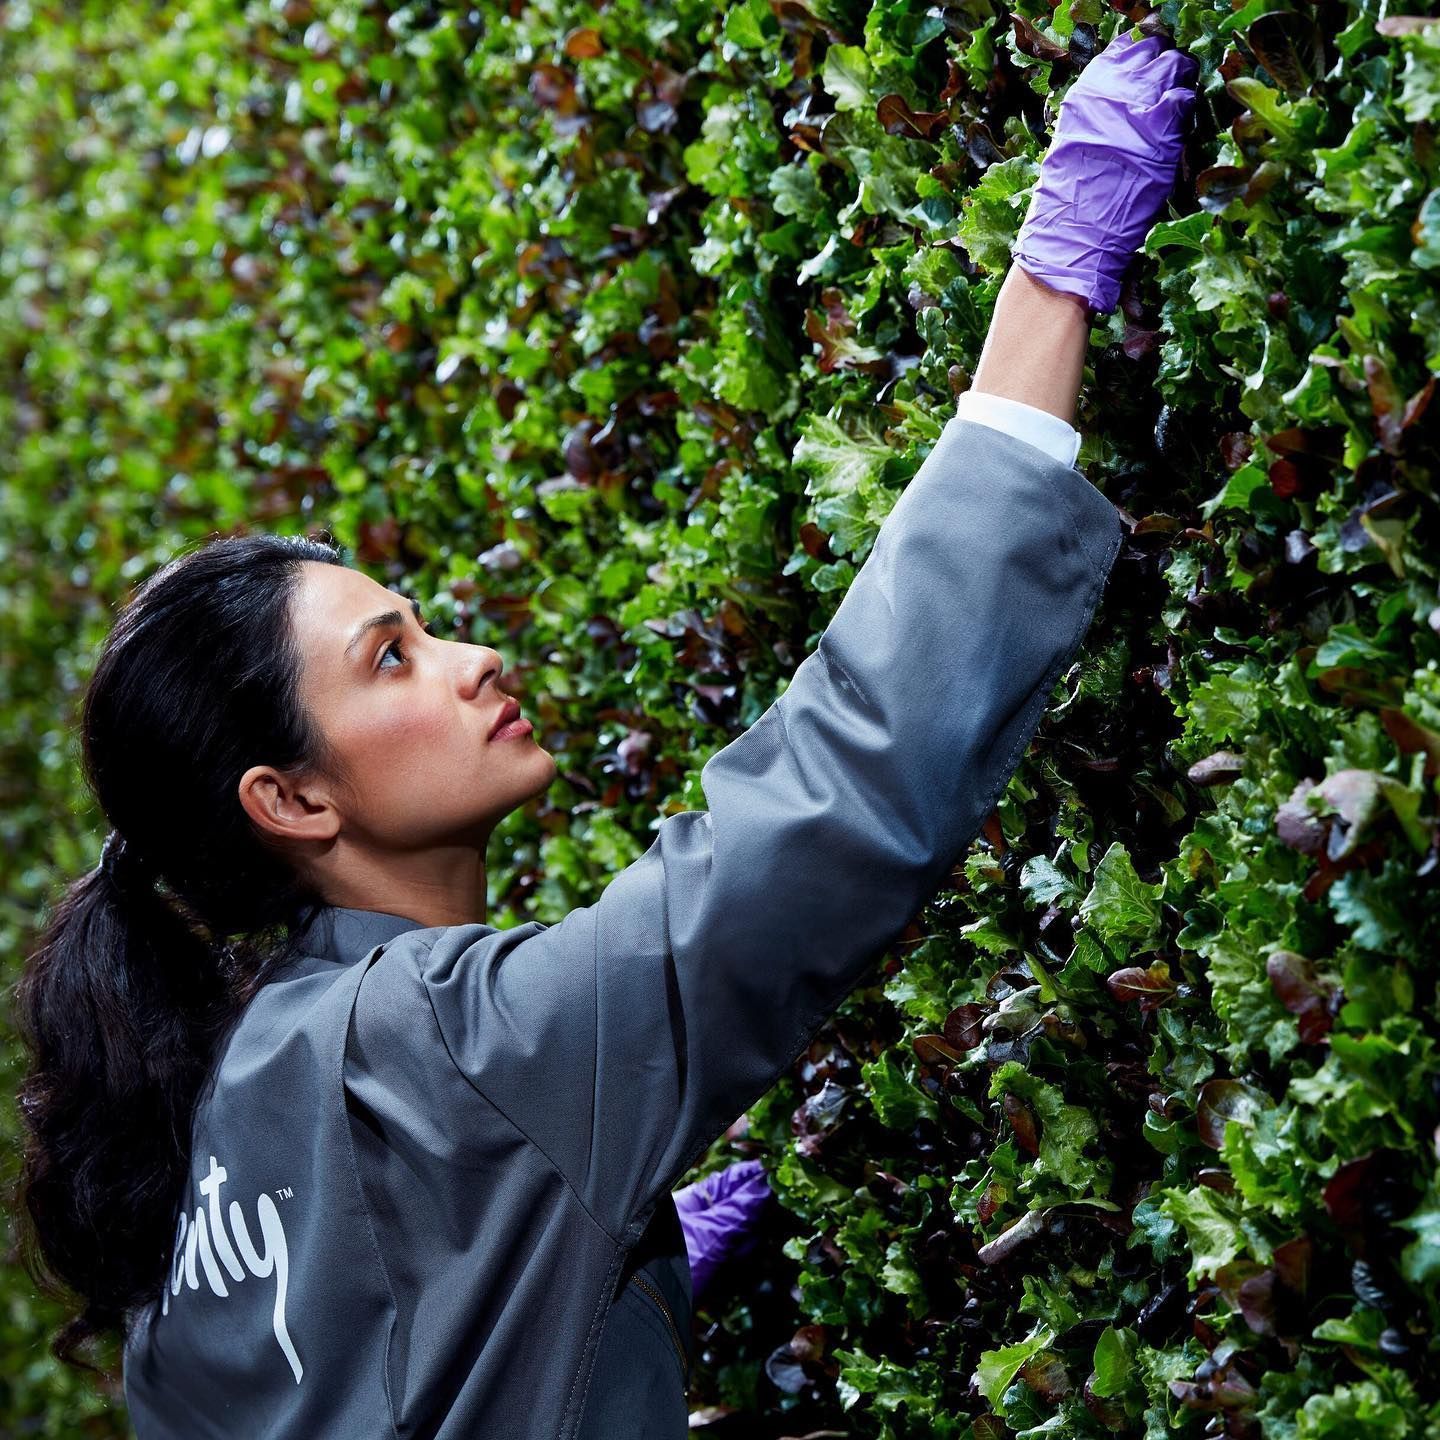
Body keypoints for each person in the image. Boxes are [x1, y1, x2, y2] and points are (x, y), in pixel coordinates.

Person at [10, 27, 1197, 1440]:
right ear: (294, 800)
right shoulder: (444, 1047)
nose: (474, 659)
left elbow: (375, 1354)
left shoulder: (224, 1111)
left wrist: (596, 1283)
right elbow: (836, 797)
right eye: (392, 658)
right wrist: (1052, 281)